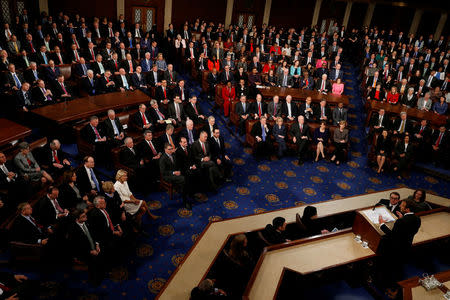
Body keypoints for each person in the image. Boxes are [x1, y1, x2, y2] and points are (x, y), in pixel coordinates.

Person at [378, 199, 421, 295]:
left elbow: (392, 235)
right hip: (406, 248)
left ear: (407, 209)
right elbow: (411, 231)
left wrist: (381, 224)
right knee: (399, 268)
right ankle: (396, 287)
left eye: (402, 206)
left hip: (395, 250)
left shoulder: (401, 222)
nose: (400, 207)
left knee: (390, 269)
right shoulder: (417, 219)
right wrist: (401, 218)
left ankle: (391, 289)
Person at [159, 143, 189, 208]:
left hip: (175, 173)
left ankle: (186, 192)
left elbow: (177, 165)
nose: (171, 150)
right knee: (183, 179)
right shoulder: (162, 159)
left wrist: (179, 171)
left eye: (172, 149)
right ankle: (185, 200)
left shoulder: (173, 155)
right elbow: (163, 172)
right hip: (167, 176)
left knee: (188, 174)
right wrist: (173, 173)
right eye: (169, 149)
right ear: (165, 150)